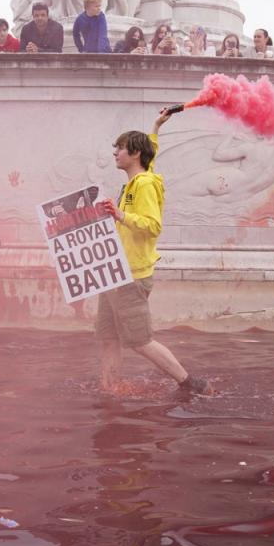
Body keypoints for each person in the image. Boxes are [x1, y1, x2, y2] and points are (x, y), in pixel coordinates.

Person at [98, 109, 212, 395]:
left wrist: (121, 216)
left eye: (120, 148)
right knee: (108, 337)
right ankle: (110, 387)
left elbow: (152, 226)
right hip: (114, 271)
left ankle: (190, 384)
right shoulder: (140, 177)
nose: (115, 153)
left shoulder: (145, 185)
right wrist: (157, 125)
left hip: (130, 275)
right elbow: (152, 148)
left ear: (135, 154)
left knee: (139, 340)